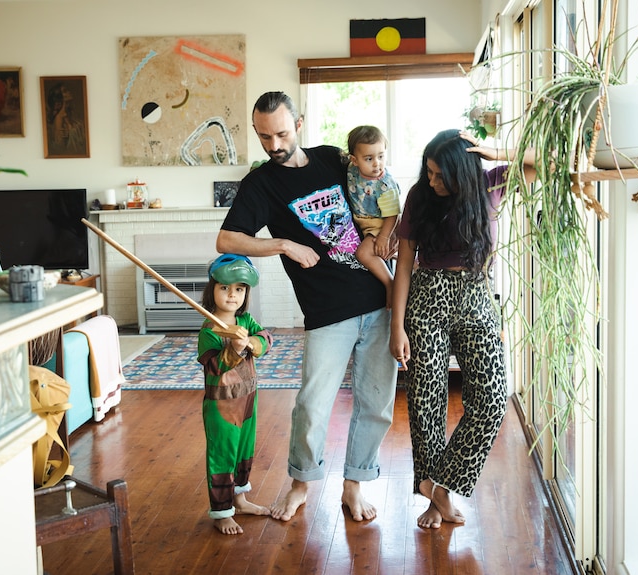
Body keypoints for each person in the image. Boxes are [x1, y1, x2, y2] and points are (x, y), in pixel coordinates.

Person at [216, 91, 398, 523]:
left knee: (376, 404)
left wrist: (386, 233)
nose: (274, 145)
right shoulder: (261, 183)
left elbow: (380, 179)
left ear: (298, 124)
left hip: (379, 301)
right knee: (313, 405)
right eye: (264, 137)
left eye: (280, 133)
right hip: (325, 311)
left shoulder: (333, 159)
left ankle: (353, 488)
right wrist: (283, 244)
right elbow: (227, 240)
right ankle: (301, 483)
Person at [388, 129, 537, 529]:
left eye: (440, 174)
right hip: (427, 297)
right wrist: (396, 326)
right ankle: (437, 497)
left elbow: (551, 161)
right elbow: (403, 264)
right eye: (430, 172)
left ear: (464, 168)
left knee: (490, 399)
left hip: (477, 294)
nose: (433, 181)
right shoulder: (420, 196)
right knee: (426, 402)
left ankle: (439, 484)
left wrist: (494, 150)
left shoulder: (493, 181)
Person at [198, 253, 273, 535]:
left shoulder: (245, 320)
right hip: (221, 406)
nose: (232, 295)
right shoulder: (208, 330)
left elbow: (266, 338)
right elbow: (216, 367)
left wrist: (251, 342)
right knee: (222, 456)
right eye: (225, 288)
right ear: (212, 289)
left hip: (248, 400)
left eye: (239, 289)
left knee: (243, 453)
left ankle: (239, 500)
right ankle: (221, 512)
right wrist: (234, 349)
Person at [344, 125, 401, 306]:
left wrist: (384, 237)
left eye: (381, 156)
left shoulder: (385, 184)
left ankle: (389, 283)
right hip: (364, 221)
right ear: (354, 159)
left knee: (363, 253)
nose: (377, 163)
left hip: (381, 223)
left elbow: (393, 215)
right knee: (378, 252)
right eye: (369, 158)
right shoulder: (351, 170)